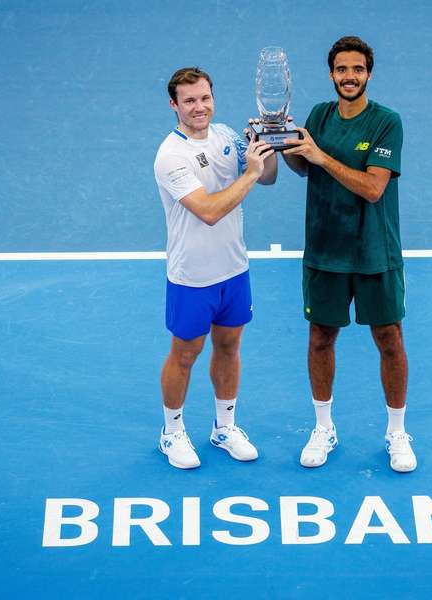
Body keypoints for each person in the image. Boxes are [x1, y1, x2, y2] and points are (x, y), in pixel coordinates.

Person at [282, 36, 416, 472]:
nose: (349, 77)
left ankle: (397, 432)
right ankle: (324, 427)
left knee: (389, 339)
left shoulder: (386, 122)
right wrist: (281, 142)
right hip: (325, 249)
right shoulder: (319, 115)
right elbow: (304, 166)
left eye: (357, 69)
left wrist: (320, 156)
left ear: (369, 74)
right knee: (321, 337)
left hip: (375, 251)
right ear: (331, 74)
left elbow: (374, 188)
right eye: (342, 70)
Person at [153, 67, 276, 469]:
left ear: (213, 97)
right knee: (185, 354)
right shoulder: (171, 156)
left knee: (229, 346)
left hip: (234, 269)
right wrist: (251, 174)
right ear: (174, 105)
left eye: (204, 97)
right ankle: (172, 433)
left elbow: (270, 178)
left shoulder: (226, 136)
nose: (198, 106)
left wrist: (264, 147)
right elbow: (209, 211)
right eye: (189, 100)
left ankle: (224, 428)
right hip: (192, 277)